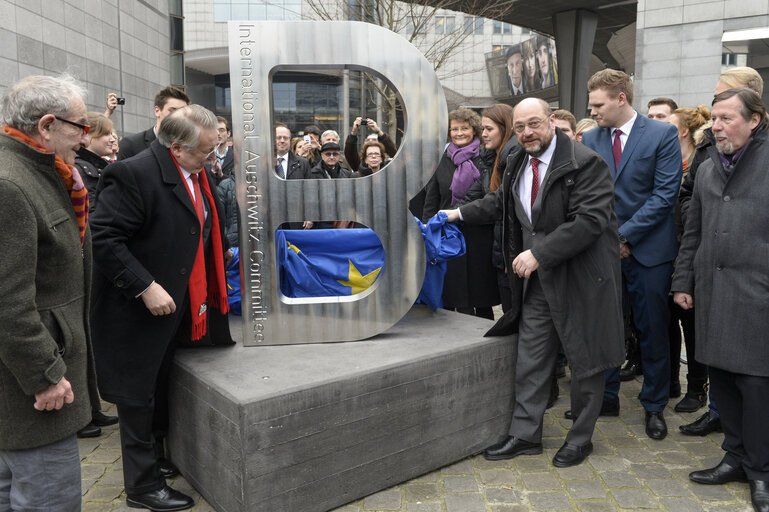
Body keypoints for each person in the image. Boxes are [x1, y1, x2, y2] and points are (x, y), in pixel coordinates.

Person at [440, 98, 624, 468]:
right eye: (521, 126)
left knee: (585, 361)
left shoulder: (586, 163)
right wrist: (457, 213)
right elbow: (500, 204)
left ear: (552, 121)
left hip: (581, 279)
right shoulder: (517, 161)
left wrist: (540, 253)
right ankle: (525, 435)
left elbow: (589, 221)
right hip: (537, 284)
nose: (527, 133)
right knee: (531, 358)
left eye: (535, 124)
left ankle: (580, 439)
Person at [90, 105, 233, 511]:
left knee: (157, 388)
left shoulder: (195, 170)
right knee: (137, 397)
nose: (212, 157)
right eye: (206, 151)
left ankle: (157, 458)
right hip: (137, 309)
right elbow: (104, 240)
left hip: (178, 304)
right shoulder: (133, 174)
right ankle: (141, 487)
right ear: (176, 147)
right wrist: (145, 286)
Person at [0, 73, 99, 512]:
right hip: (34, 390)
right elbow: (7, 301)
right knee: (48, 500)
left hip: (34, 381)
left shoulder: (42, 171)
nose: (86, 135)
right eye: (80, 125)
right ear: (46, 125)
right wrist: (44, 375)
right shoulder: (12, 184)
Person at [672, 87, 769, 512]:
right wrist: (683, 281)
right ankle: (735, 457)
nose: (717, 126)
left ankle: (761, 471)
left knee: (756, 387)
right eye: (715, 118)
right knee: (724, 383)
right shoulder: (708, 167)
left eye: (728, 118)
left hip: (758, 296)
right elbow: (692, 230)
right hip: (712, 293)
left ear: (755, 120)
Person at [582, 69, 682, 441]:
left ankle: (654, 406)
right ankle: (605, 397)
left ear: (621, 98)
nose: (591, 111)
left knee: (652, 329)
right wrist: (607, 239)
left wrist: (625, 235)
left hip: (649, 253)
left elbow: (664, 194)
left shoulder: (661, 134)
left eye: (598, 104)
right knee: (604, 326)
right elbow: (586, 197)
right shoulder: (590, 139)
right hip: (602, 252)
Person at [422, 108, 499, 319]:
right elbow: (432, 199)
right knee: (453, 293)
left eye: (464, 128)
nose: (459, 133)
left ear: (474, 130)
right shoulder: (440, 160)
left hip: (480, 233)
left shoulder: (486, 157)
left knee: (481, 293)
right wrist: (429, 229)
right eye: (454, 129)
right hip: (449, 234)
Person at [666, 104, 711, 414]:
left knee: (692, 326)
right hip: (667, 253)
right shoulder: (668, 161)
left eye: (666, 124)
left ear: (682, 131)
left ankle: (697, 388)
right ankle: (671, 381)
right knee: (668, 322)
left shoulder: (698, 163)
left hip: (691, 251)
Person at [118, 86, 190, 160]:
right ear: (157, 111)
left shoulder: (191, 147)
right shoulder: (131, 145)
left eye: (183, 112)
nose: (178, 116)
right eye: (172, 111)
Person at [76, 112, 115, 214]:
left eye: (111, 134)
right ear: (88, 135)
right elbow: (93, 214)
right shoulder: (80, 169)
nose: (112, 139)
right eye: (106, 134)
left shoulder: (98, 165)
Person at [210, 116, 234, 185]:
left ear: (228, 133)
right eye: (215, 130)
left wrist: (221, 175)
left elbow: (237, 183)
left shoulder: (236, 156)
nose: (218, 134)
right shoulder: (206, 156)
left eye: (221, 130)